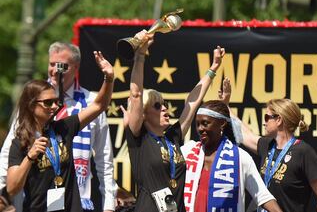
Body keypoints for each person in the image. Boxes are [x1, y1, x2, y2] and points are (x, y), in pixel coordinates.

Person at [0, 42, 117, 212]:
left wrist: (109, 78)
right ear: (32, 106)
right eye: (52, 64)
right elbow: (10, 177)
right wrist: (30, 157)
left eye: (56, 102)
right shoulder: (22, 136)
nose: (55, 107)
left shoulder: (64, 127)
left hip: (74, 203)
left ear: (76, 67)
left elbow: (99, 107)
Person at [124, 30, 225, 211]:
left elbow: (192, 104)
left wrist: (213, 69)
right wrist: (140, 56)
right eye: (157, 106)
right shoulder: (139, 138)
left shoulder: (172, 138)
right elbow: (136, 94)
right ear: (143, 114)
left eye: (164, 104)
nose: (164, 108)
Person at [226, 80, 317, 212]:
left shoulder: (303, 152)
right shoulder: (268, 145)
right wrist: (226, 107)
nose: (264, 123)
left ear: (279, 120)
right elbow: (245, 134)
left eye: (266, 117)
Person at [180, 99, 283, 212]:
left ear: (222, 123)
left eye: (205, 123)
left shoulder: (240, 157)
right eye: (197, 124)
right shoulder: (187, 151)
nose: (200, 129)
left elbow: (263, 197)